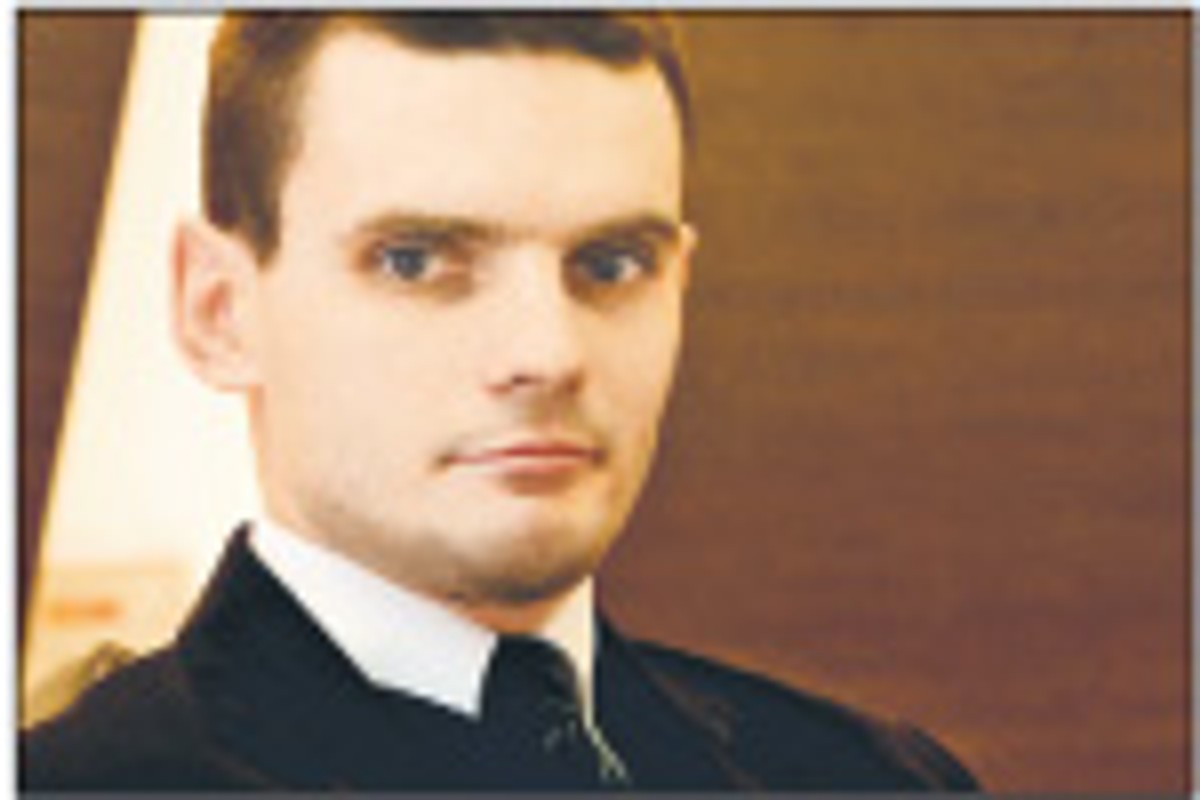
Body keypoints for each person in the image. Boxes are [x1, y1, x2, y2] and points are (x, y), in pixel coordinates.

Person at [21, 11, 979, 791]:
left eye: (612, 264)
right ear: (218, 310)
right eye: (415, 260)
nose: (547, 354)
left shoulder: (878, 779)